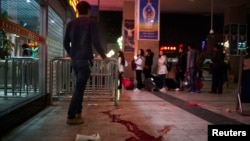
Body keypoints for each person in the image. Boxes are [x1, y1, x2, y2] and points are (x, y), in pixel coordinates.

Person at [63, 1, 108, 125]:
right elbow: (96, 42)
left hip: (75, 61)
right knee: (79, 89)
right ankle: (71, 116)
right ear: (88, 11)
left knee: (80, 88)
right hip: (85, 60)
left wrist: (72, 54)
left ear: (77, 10)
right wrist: (104, 56)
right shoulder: (91, 23)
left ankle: (78, 112)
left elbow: (65, 43)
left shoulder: (70, 24)